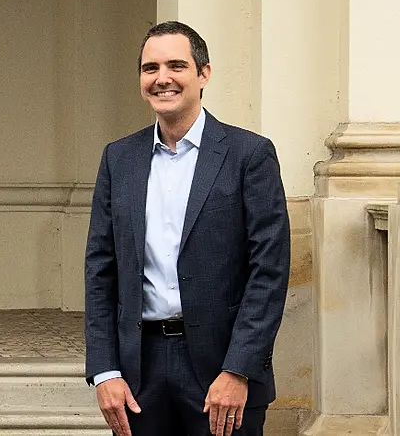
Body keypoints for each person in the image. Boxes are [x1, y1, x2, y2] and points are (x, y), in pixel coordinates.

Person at [84, 21, 290, 436]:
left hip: (223, 372)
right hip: (139, 374)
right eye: (150, 68)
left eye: (176, 65)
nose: (162, 79)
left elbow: (269, 271)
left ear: (203, 74)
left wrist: (239, 368)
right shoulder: (118, 159)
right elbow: (100, 270)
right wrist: (105, 370)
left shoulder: (249, 154)